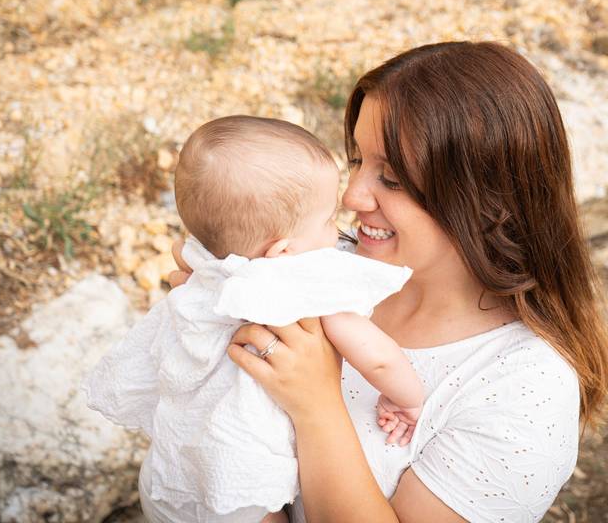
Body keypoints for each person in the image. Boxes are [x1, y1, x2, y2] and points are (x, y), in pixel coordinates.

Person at [171, 41, 608, 522]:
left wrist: (316, 404)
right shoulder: (327, 269)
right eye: (358, 159)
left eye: (394, 179)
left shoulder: (526, 389)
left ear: (490, 202)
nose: (353, 195)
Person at [83, 115, 425, 523]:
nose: (340, 229)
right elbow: (379, 357)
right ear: (281, 252)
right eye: (328, 220)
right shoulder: (297, 285)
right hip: (238, 482)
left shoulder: (205, 261)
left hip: (170, 468)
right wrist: (406, 399)